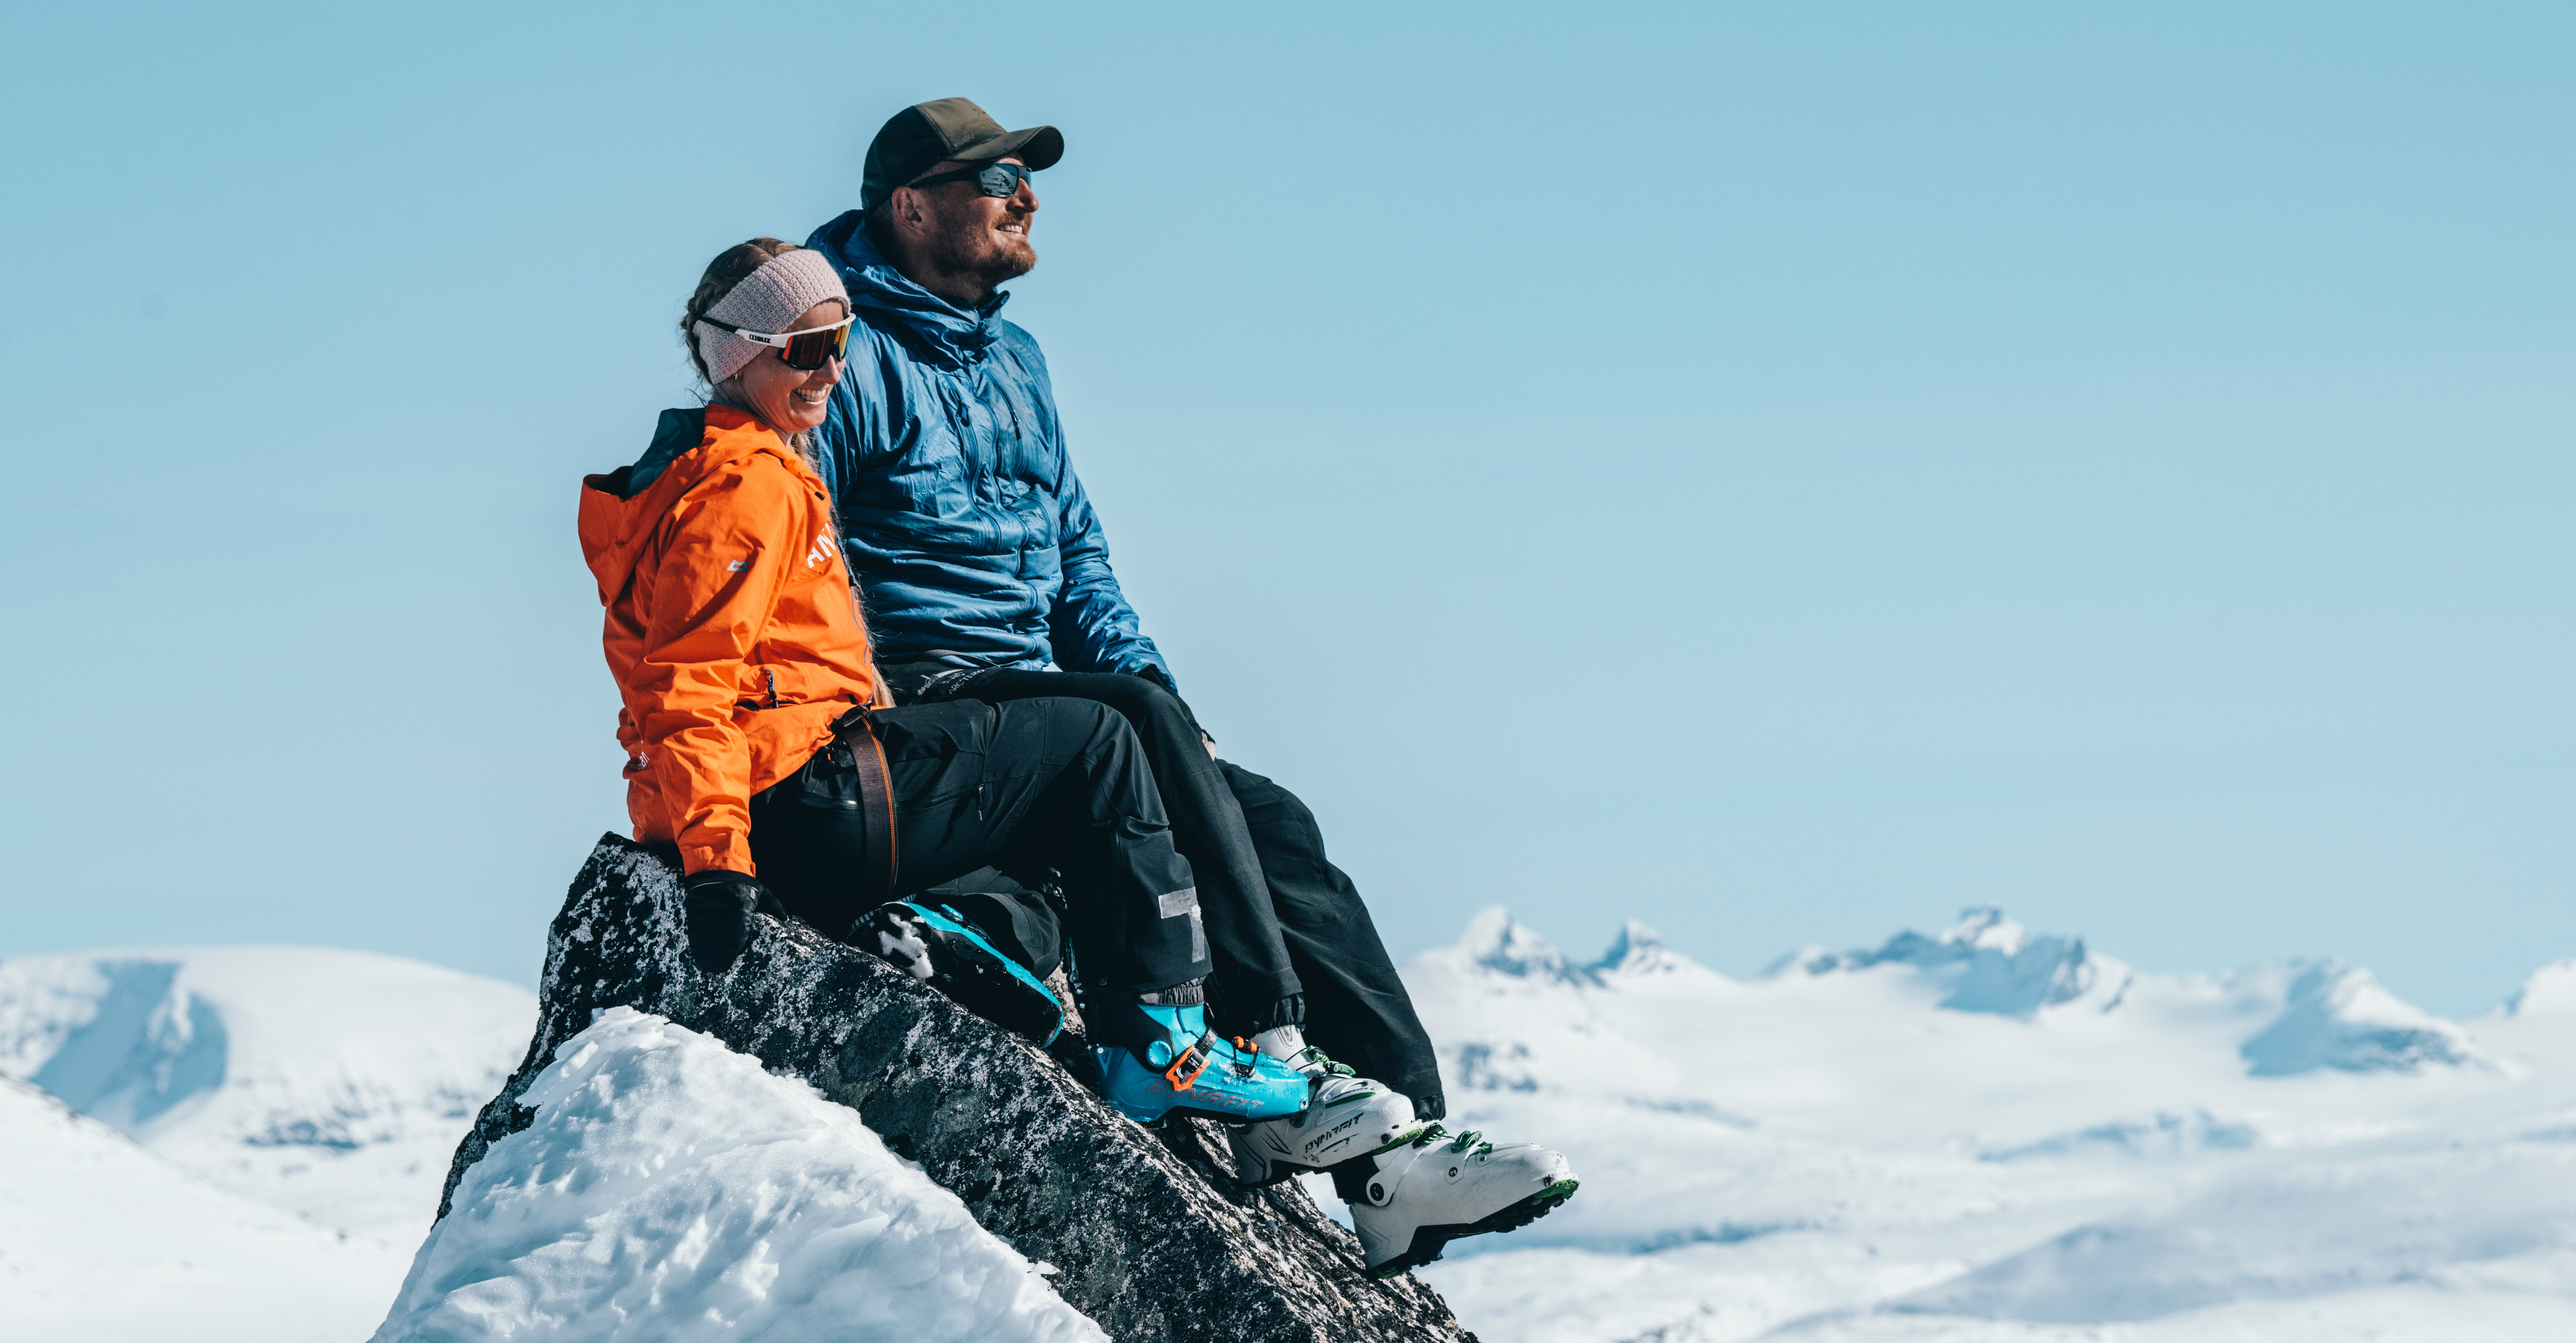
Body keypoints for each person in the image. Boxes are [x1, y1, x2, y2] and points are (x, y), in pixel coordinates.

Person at [788, 98, 1578, 1277]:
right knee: (1130, 772)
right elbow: (814, 545)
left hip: (1054, 688)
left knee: (1265, 819)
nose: (1026, 198)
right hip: (927, 689)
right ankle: (1277, 1051)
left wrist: (1151, 691)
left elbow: (1078, 551)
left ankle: (1396, 1154)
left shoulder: (1016, 358)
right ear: (911, 205)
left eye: (1025, 178)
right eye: (996, 179)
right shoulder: (846, 357)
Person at [578, 237, 1310, 1129]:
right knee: (1101, 741)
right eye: (807, 349)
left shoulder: (727, 467)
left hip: (801, 786)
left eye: (842, 340)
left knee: (1033, 789)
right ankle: (1164, 1043)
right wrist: (718, 866)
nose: (834, 370)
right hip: (801, 799)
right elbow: (687, 684)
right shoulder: (746, 485)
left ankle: (966, 942)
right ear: (741, 354)